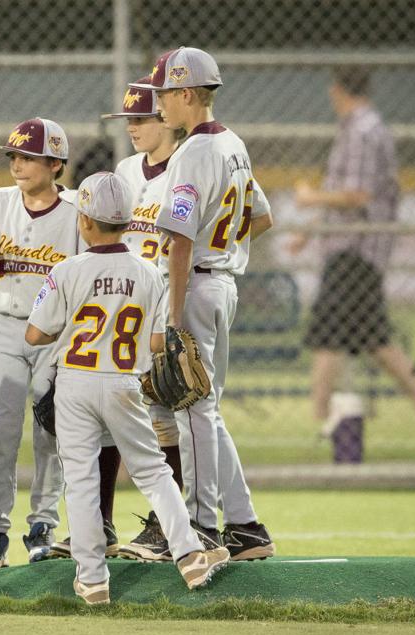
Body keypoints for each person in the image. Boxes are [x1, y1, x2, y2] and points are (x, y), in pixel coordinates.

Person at [26, 171, 230, 604]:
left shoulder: (67, 270)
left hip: (75, 383)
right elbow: (156, 342)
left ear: (84, 221)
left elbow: (34, 335)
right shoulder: (148, 272)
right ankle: (191, 555)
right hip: (123, 382)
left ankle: (93, 579)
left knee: (79, 480)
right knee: (153, 471)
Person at [131, 47, 276, 560]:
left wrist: (170, 317)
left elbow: (181, 240)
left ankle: (199, 524)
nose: (160, 102)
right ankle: (247, 526)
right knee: (207, 409)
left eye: (166, 93)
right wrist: (228, 248)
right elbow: (262, 218)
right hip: (223, 283)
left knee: (190, 409)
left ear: (187, 93)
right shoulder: (234, 145)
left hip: (193, 284)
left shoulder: (192, 153)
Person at [48, 78, 188, 563]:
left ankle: (177, 528)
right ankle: (100, 524)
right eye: (127, 120)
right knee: (112, 420)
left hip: (170, 297)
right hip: (125, 299)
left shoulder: (190, 166)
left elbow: (247, 218)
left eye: (142, 118)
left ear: (167, 119)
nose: (132, 128)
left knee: (172, 418)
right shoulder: (126, 171)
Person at [287, 66, 415, 429]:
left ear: (339, 90)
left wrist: (310, 199)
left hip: (354, 249)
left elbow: (357, 196)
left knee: (326, 334)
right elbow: (347, 196)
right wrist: (310, 232)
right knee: (374, 337)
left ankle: (320, 420)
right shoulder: (362, 129)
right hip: (354, 247)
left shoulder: (361, 131)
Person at [0, 117, 80, 569]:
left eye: (28, 157)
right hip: (8, 325)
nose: (17, 164)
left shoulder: (74, 211)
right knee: (2, 431)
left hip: (56, 332)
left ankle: (43, 525)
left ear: (55, 163)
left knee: (51, 430)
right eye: (13, 156)